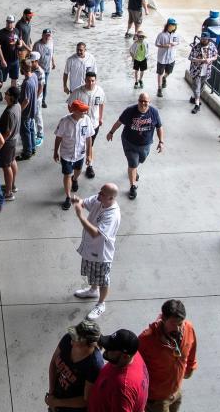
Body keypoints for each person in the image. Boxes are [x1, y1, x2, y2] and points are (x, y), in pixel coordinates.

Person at [71, 183, 121, 320]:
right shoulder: (99, 200)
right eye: (100, 191)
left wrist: (80, 216)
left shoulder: (113, 215)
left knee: (103, 280)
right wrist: (77, 201)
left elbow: (95, 233)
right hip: (90, 248)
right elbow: (85, 202)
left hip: (102, 253)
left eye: (102, 193)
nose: (98, 194)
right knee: (92, 273)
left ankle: (101, 304)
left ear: (111, 198)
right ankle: (93, 290)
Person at [138, 300, 197, 412]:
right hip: (156, 400)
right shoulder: (146, 340)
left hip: (176, 392)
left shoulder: (188, 328)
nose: (178, 329)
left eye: (180, 323)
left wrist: (190, 367)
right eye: (174, 324)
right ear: (163, 319)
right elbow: (136, 369)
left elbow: (192, 348)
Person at [105, 94, 164, 200]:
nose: (143, 103)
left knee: (141, 160)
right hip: (129, 142)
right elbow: (119, 122)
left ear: (149, 102)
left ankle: (135, 171)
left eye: (145, 101)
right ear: (138, 101)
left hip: (145, 144)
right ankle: (133, 186)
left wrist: (161, 141)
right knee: (132, 163)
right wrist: (111, 132)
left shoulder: (154, 112)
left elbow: (159, 127)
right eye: (141, 101)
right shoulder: (130, 111)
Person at [45, 320, 104, 411]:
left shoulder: (94, 365)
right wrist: (51, 393)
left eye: (76, 338)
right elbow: (53, 363)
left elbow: (85, 400)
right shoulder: (68, 339)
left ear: (88, 344)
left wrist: (56, 402)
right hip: (56, 396)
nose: (72, 338)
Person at [89, 330, 149, 411]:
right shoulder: (134, 355)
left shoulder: (123, 388)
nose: (106, 349)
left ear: (125, 356)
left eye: (111, 348)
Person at [55, 100, 94, 210]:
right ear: (75, 111)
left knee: (77, 171)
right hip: (66, 154)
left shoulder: (86, 120)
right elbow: (58, 137)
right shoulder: (64, 121)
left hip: (80, 154)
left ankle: (75, 179)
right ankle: (68, 197)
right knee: (67, 174)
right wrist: (55, 152)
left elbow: (89, 137)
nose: (85, 113)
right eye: (82, 111)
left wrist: (89, 155)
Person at [67, 71, 105, 179]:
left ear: (95, 81)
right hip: (80, 124)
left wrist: (101, 118)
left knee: (90, 144)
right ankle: (75, 162)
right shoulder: (77, 92)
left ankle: (89, 165)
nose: (90, 83)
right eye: (88, 80)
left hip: (94, 124)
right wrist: (74, 118)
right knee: (80, 143)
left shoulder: (100, 91)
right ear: (85, 80)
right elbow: (70, 105)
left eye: (93, 81)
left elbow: (101, 104)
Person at [0, 87, 21, 201]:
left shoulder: (9, 112)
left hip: (7, 143)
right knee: (12, 161)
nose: (4, 95)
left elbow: (7, 132)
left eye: (6, 93)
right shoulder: (17, 106)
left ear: (11, 97)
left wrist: (0, 143)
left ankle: (8, 193)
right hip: (14, 140)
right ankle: (12, 185)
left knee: (6, 166)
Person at [187, 33, 217, 114]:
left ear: (208, 39)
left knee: (202, 87)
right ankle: (197, 105)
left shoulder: (212, 46)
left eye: (205, 39)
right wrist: (201, 60)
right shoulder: (196, 47)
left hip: (206, 71)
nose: (203, 41)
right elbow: (190, 57)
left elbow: (215, 56)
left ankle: (194, 98)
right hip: (196, 70)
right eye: (202, 39)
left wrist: (210, 59)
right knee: (197, 87)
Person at [18, 60, 41, 160]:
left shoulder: (27, 83)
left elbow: (26, 100)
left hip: (26, 112)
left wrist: (19, 110)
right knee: (31, 130)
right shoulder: (34, 76)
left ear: (22, 68)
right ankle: (32, 148)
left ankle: (27, 152)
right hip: (33, 110)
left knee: (25, 132)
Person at [154, 18, 181, 98]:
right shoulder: (161, 35)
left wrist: (174, 44)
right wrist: (164, 46)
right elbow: (156, 44)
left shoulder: (176, 34)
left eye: (174, 25)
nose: (173, 27)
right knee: (160, 73)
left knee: (169, 72)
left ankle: (164, 78)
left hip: (171, 57)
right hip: (162, 58)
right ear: (168, 25)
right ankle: (159, 88)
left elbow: (178, 42)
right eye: (172, 25)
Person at [0, 15, 25, 84]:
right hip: (5, 61)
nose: (9, 24)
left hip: (15, 60)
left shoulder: (16, 31)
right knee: (1, 79)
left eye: (11, 22)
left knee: (14, 78)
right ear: (6, 22)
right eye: (8, 22)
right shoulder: (0, 33)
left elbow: (19, 40)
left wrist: (20, 44)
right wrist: (2, 60)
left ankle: (13, 94)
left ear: (14, 23)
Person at [32, 28, 56, 107]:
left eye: (49, 36)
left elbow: (52, 54)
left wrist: (53, 62)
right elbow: (33, 57)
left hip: (47, 69)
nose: (47, 37)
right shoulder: (37, 45)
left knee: (44, 85)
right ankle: (35, 98)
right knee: (37, 84)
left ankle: (43, 100)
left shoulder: (51, 43)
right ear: (42, 35)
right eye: (46, 35)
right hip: (39, 69)